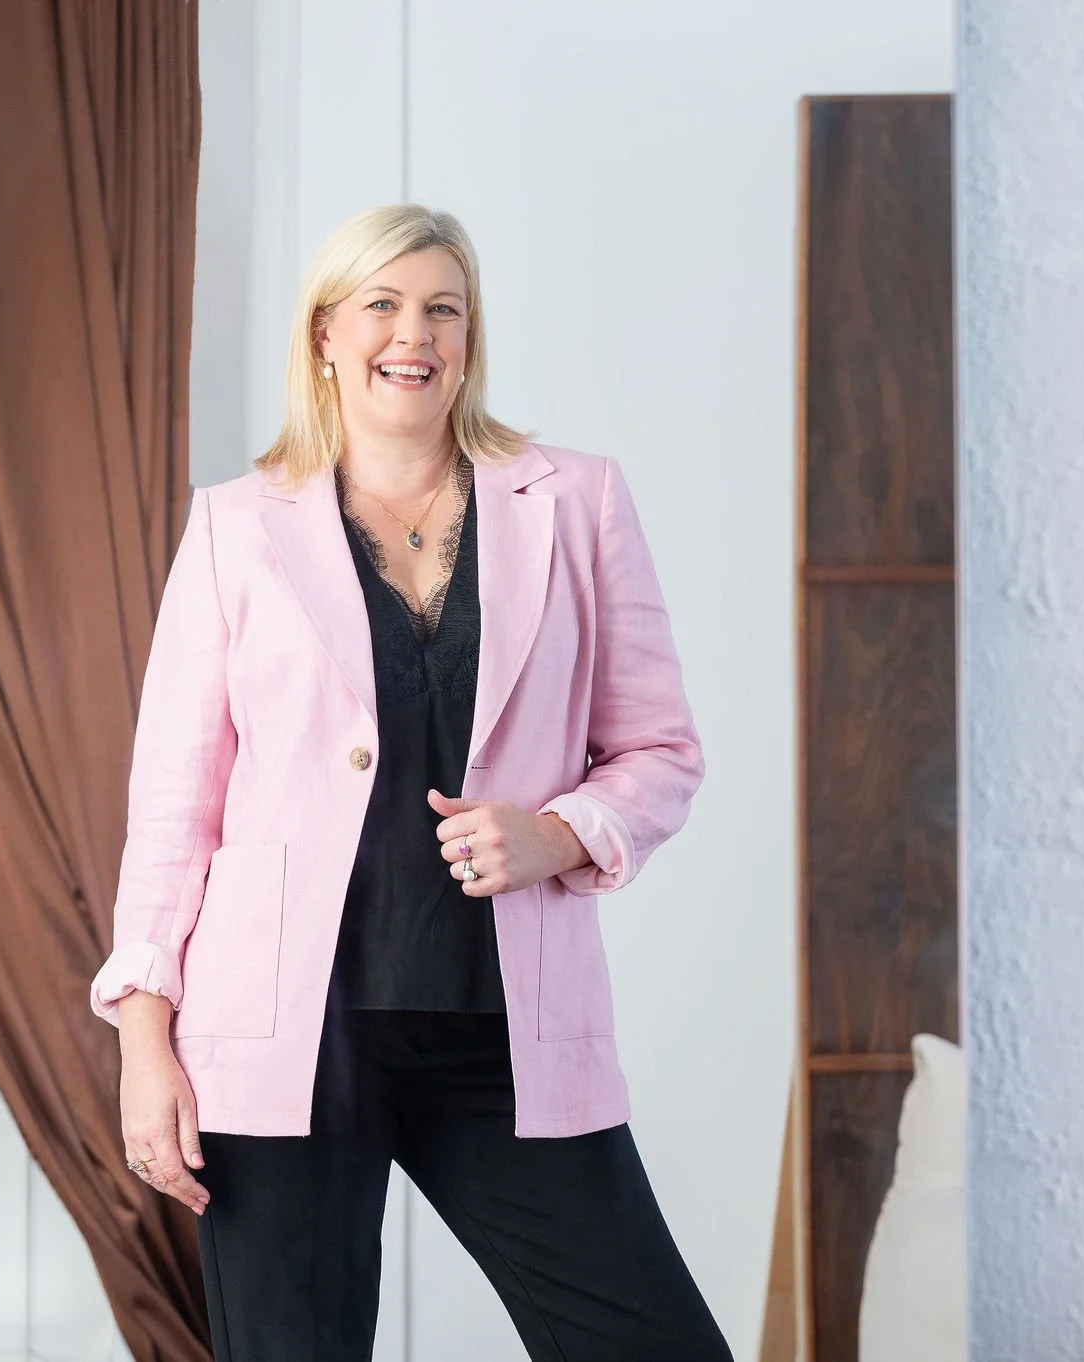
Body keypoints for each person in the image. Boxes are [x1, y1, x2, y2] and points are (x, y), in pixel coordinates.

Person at [88, 202, 729, 1361]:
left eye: (442, 308)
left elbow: (659, 748)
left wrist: (557, 833)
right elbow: (174, 811)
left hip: (501, 1026)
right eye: (380, 304)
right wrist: (144, 1042)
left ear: (469, 338)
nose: (412, 333)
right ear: (325, 334)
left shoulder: (573, 502)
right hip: (284, 1033)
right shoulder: (234, 528)